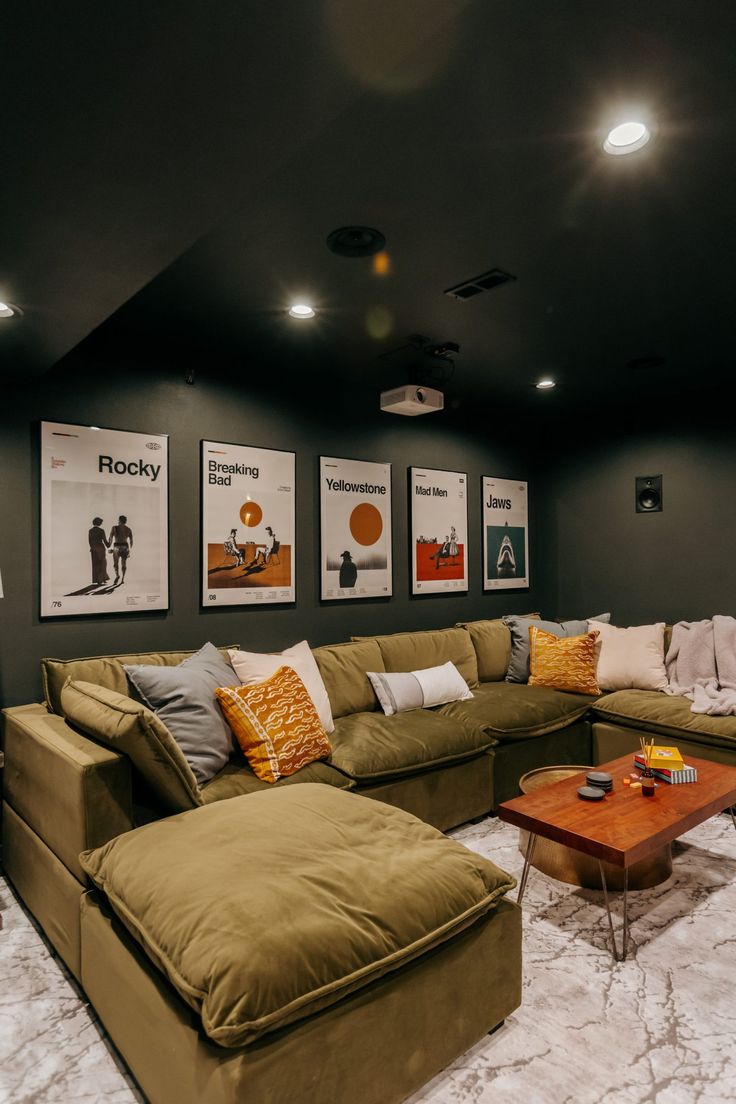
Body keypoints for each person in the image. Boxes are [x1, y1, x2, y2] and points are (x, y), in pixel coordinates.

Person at [108, 515, 133, 583]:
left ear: (119, 520)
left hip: (116, 547)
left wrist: (109, 547)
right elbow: (131, 542)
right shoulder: (128, 529)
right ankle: (122, 579)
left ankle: (117, 575)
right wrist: (129, 551)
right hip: (125, 547)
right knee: (124, 564)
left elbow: (110, 538)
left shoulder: (114, 528)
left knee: (115, 564)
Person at [88, 517, 109, 584]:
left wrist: (92, 547)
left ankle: (96, 580)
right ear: (99, 523)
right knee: (102, 563)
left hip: (93, 549)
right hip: (101, 548)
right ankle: (102, 579)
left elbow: (89, 541)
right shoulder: (101, 530)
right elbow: (105, 541)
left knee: (95, 564)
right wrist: (108, 545)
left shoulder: (90, 531)